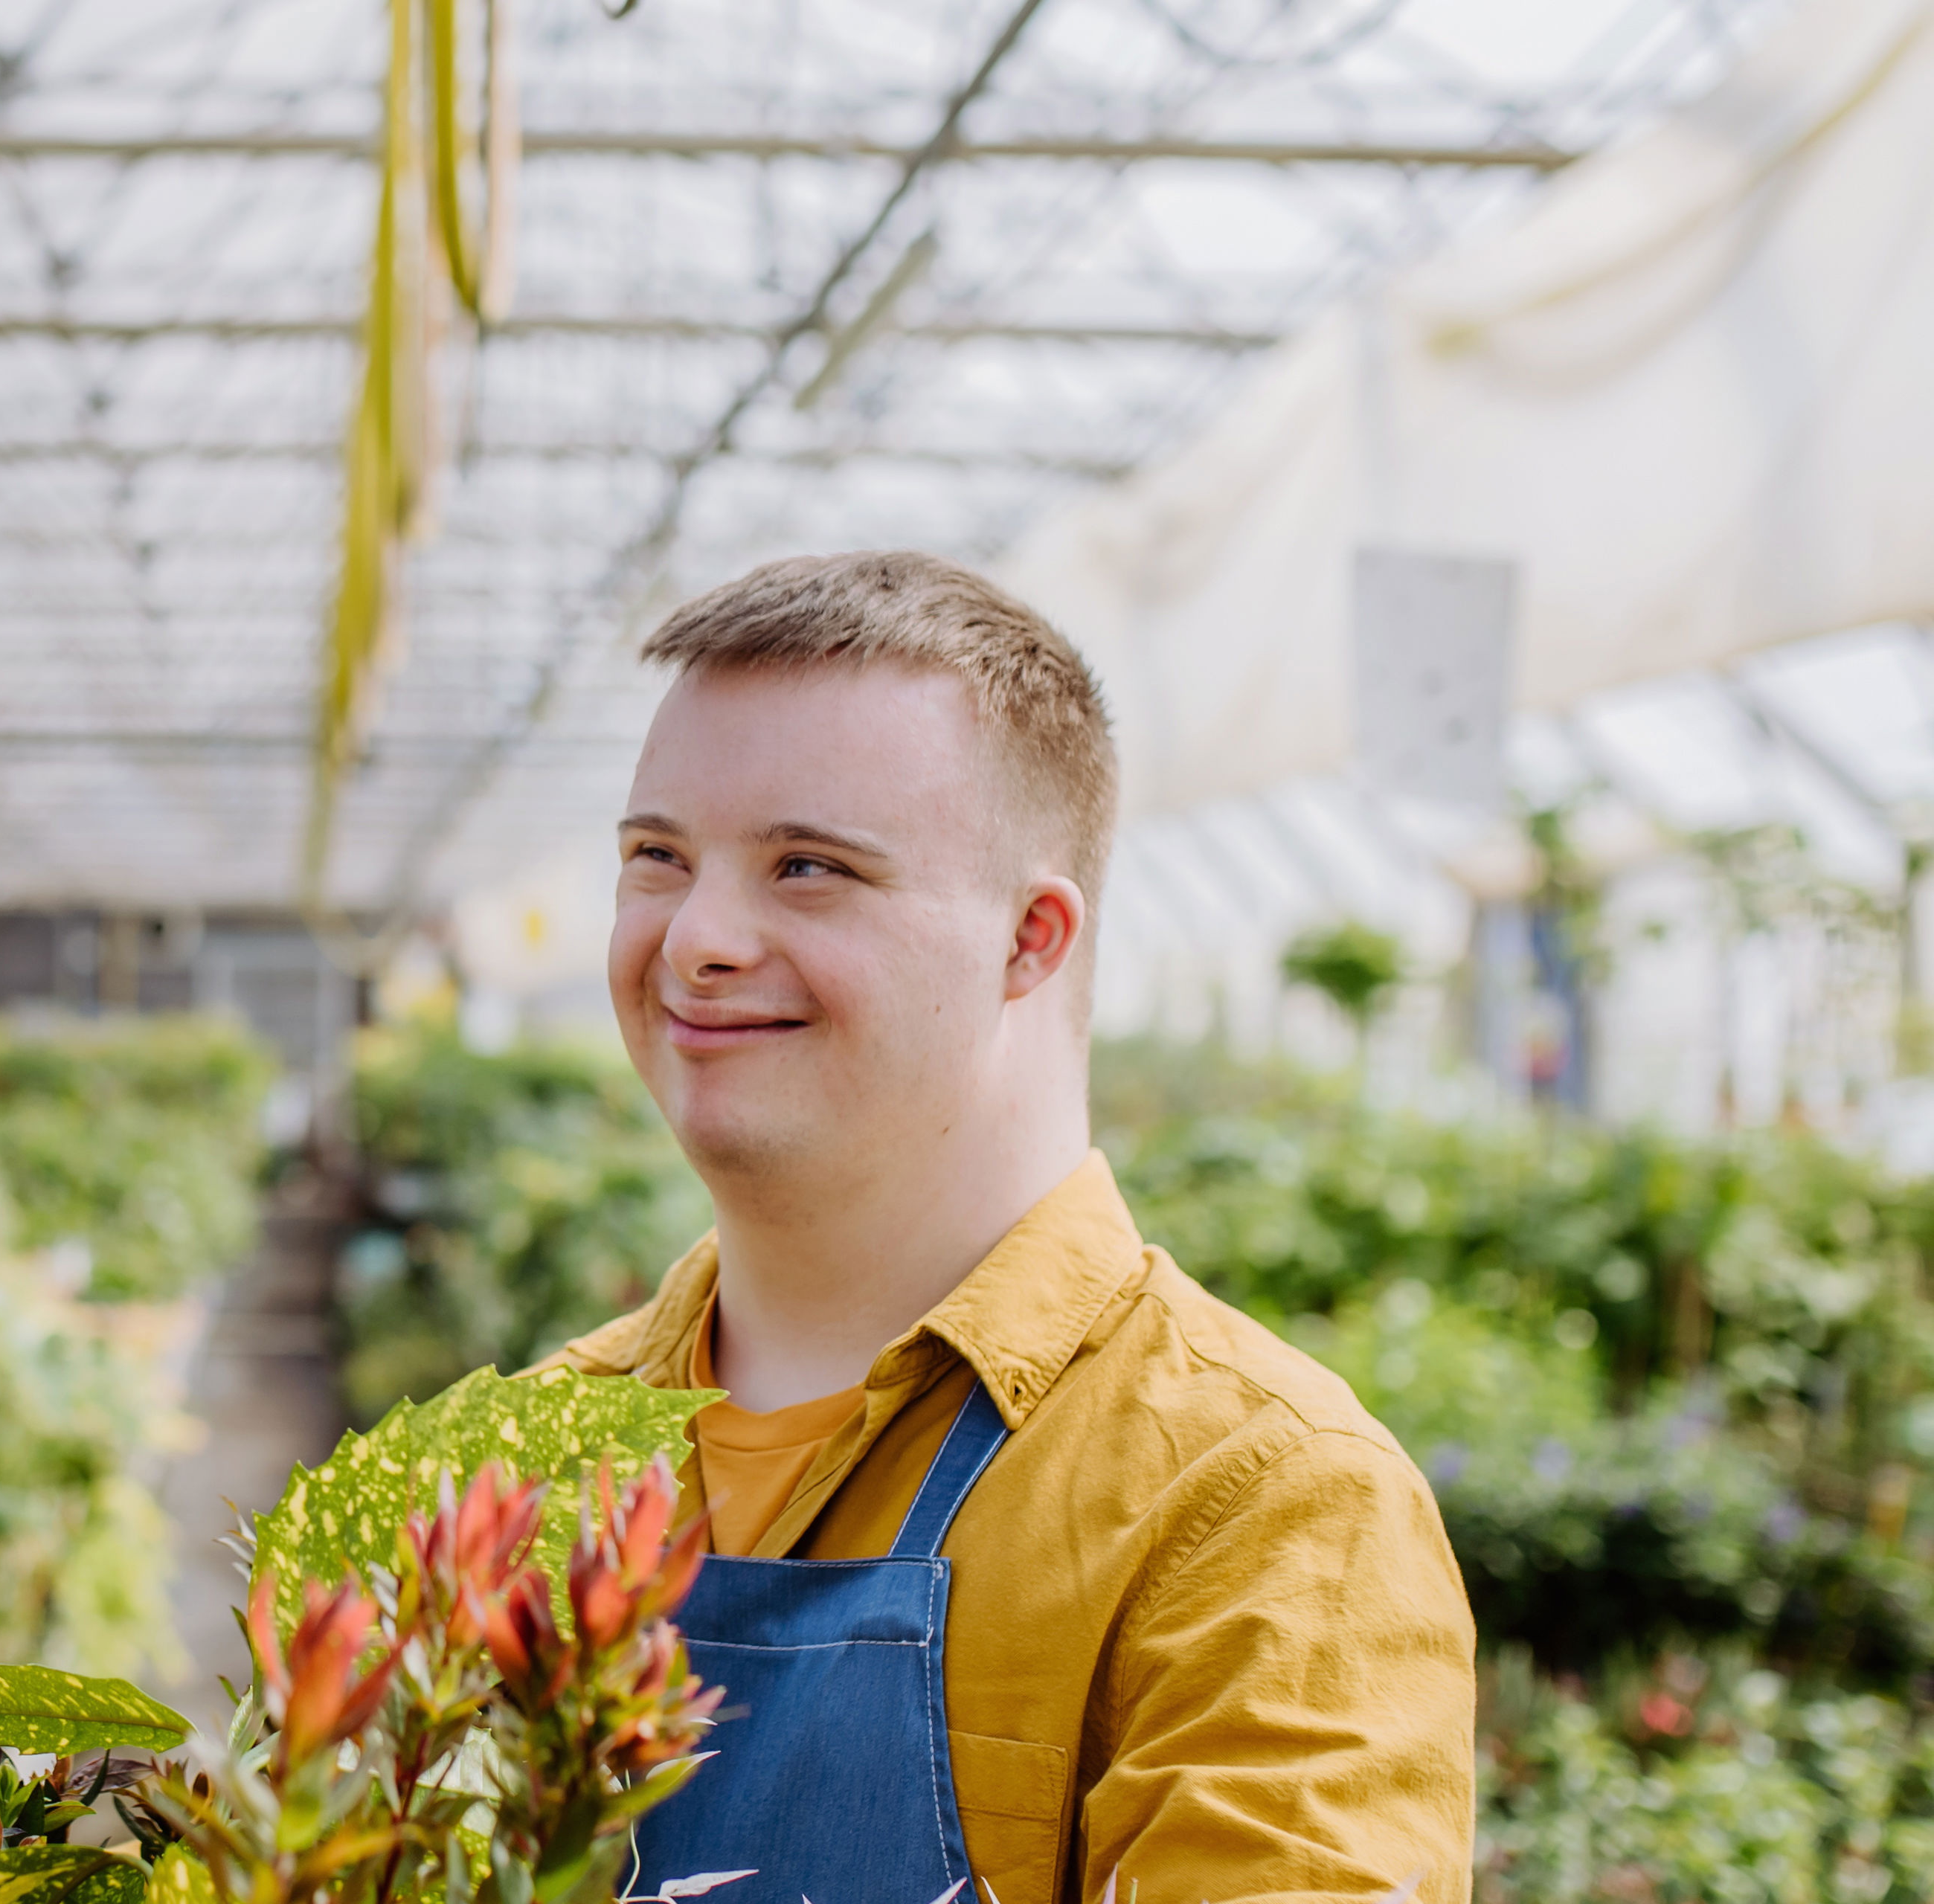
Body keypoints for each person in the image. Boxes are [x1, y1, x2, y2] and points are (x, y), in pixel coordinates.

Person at [542, 553, 1476, 1904]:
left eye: (808, 866)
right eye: (656, 858)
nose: (695, 938)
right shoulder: (524, 1456)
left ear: (1028, 939)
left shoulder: (1255, 1509)